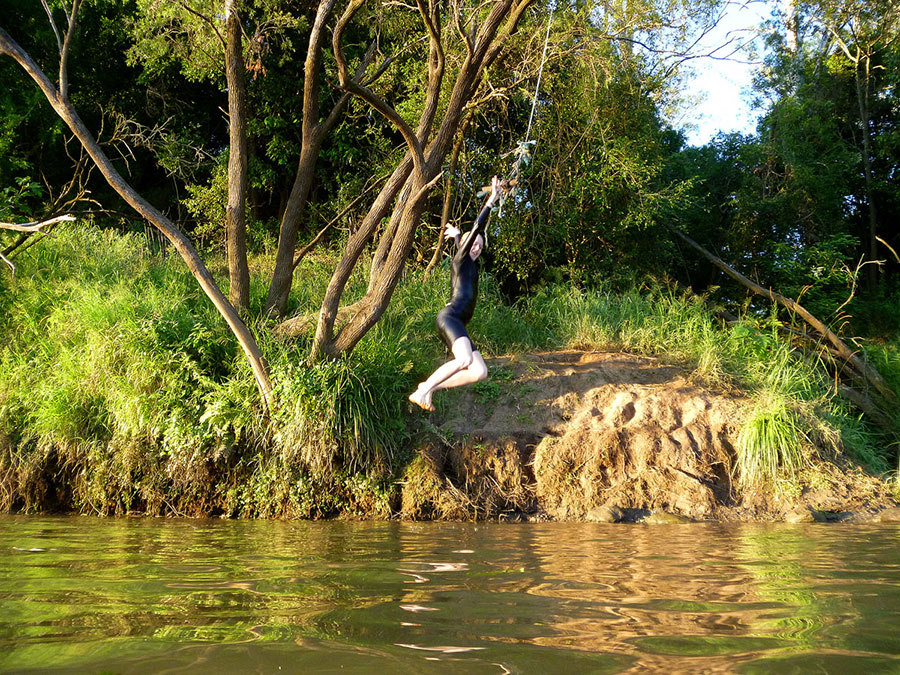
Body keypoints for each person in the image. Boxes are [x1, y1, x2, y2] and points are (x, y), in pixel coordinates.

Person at [409, 176, 505, 411]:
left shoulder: (470, 264)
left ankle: (429, 388)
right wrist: (492, 198)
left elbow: (468, 243)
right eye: (474, 244)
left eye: (480, 247)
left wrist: (459, 236)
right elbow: (476, 230)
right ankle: (423, 390)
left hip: (458, 323)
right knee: (464, 360)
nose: (477, 247)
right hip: (449, 318)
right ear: (466, 247)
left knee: (479, 371)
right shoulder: (461, 259)